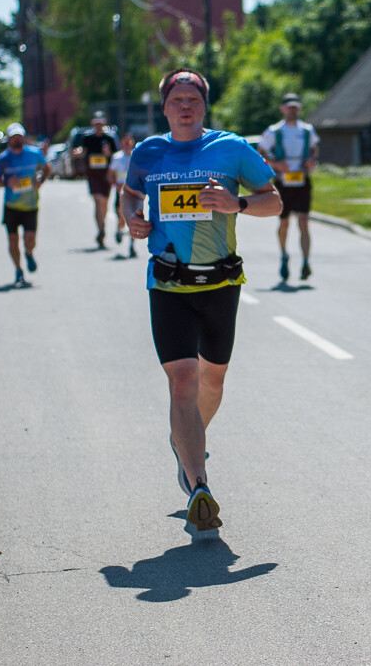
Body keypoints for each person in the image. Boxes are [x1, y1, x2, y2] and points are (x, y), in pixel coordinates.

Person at [122, 68, 281, 532]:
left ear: (204, 104)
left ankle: (185, 440)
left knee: (212, 380)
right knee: (183, 381)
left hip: (220, 284)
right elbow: (129, 196)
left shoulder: (231, 148)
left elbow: (274, 200)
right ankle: (199, 485)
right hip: (168, 283)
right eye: (177, 99)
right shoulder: (148, 152)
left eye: (193, 98)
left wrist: (239, 205)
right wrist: (132, 218)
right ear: (165, 107)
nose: (185, 106)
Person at [258, 94, 320, 282]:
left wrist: (311, 161)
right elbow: (261, 151)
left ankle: (306, 262)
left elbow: (315, 148)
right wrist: (276, 164)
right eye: (289, 108)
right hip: (283, 182)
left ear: (299, 109)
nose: (292, 111)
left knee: (303, 221)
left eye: (295, 108)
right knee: (284, 222)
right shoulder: (274, 131)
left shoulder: (307, 130)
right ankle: (284, 254)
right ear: (282, 109)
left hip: (302, 181)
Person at [0, 123, 51, 286]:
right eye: (13, 137)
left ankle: (29, 252)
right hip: (11, 206)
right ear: (9, 139)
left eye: (19, 136)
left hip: (31, 204)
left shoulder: (34, 154)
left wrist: (41, 180)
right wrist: (6, 182)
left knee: (30, 239)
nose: (17, 139)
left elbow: (47, 168)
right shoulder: (3, 159)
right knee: (12, 239)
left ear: (23, 137)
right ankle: (18, 270)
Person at [84, 110, 119, 249]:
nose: (98, 126)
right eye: (95, 123)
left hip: (106, 175)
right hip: (93, 174)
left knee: (104, 202)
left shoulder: (109, 138)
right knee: (98, 200)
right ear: (92, 124)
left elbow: (116, 156)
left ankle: (102, 225)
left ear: (104, 124)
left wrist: (108, 153)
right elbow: (83, 152)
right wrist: (78, 153)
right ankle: (101, 231)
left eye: (100, 123)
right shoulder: (88, 138)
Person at [108, 132, 137, 257]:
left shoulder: (137, 156)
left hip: (134, 192)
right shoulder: (117, 157)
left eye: (129, 143)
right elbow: (110, 175)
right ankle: (119, 229)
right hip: (121, 192)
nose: (127, 145)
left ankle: (132, 245)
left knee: (134, 218)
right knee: (122, 216)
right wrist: (116, 184)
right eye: (125, 143)